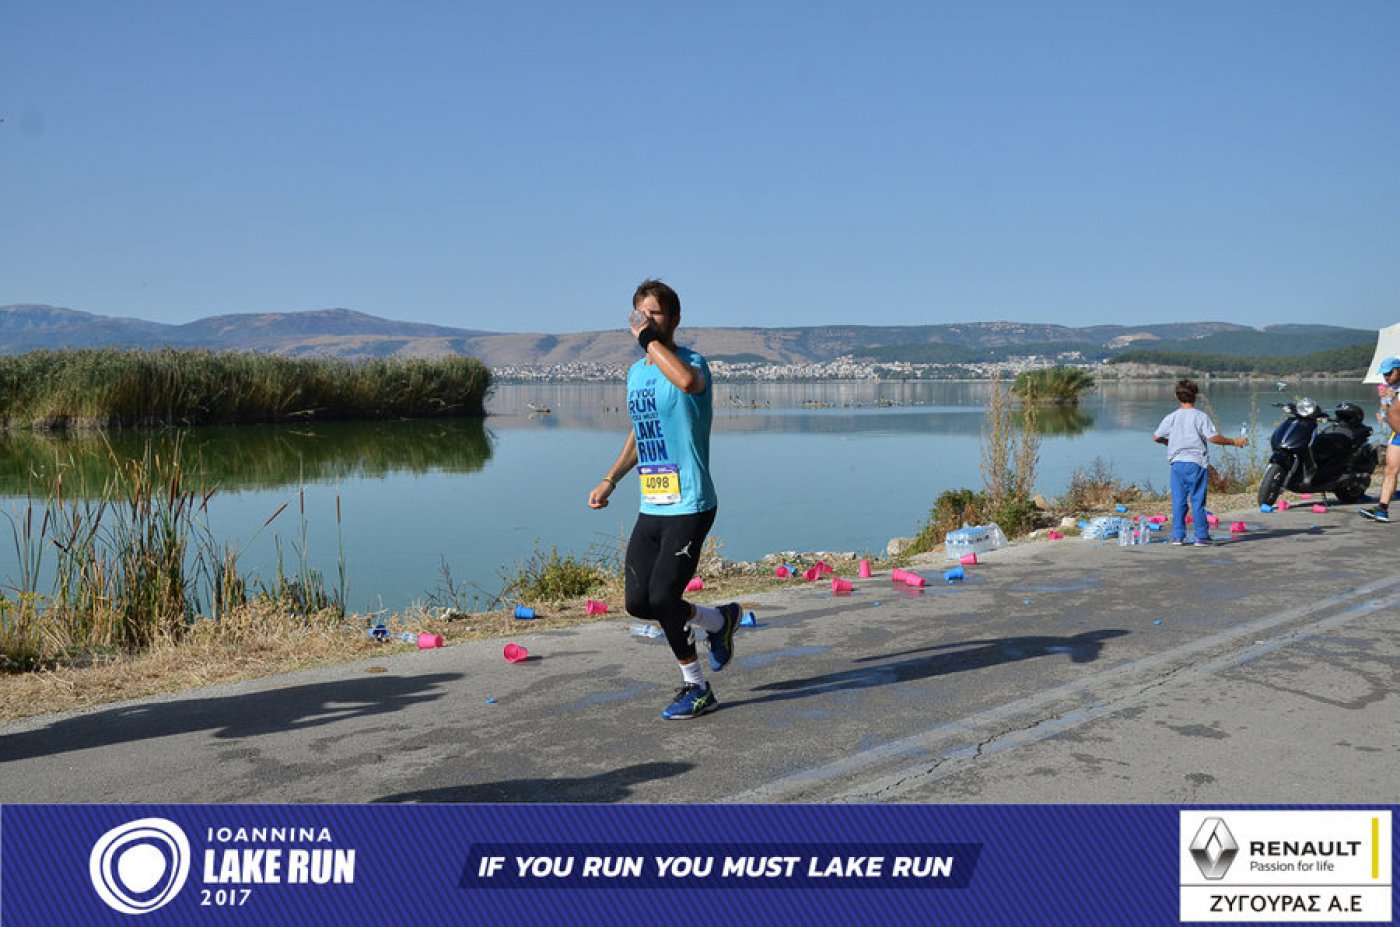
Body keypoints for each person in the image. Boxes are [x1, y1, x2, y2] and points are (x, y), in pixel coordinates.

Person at [588, 279, 742, 719]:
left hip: (691, 503)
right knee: (638, 602)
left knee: (662, 597)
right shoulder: (636, 373)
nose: (646, 321)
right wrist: (610, 479)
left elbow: (687, 383)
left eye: (655, 313)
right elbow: (642, 433)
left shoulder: (692, 364)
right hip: (654, 502)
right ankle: (718, 621)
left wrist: (649, 342)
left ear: (674, 319)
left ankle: (697, 687)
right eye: (641, 314)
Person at [1152, 379, 1247, 546]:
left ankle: (1177, 536)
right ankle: (1201, 536)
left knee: (1179, 501)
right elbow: (1213, 438)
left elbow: (1156, 437)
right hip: (1196, 463)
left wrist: (1168, 442)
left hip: (1177, 463)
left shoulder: (1171, 417)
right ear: (1195, 396)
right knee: (1197, 500)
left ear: (1176, 396)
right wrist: (1234, 442)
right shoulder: (1200, 416)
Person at [1359, 357, 1400, 522]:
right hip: (1397, 434)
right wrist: (1385, 407)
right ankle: (1382, 509)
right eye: (1384, 374)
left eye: (1389, 373)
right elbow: (1388, 415)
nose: (1386, 377)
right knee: (1390, 470)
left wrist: (1394, 398)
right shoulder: (1388, 389)